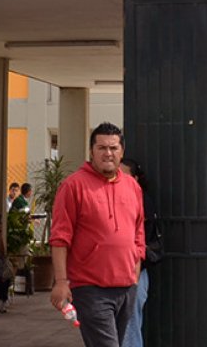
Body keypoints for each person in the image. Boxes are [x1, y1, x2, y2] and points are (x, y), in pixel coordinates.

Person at [49, 122, 145, 347]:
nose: (108, 153)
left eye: (113, 148)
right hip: (90, 288)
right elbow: (60, 238)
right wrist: (61, 282)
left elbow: (138, 231)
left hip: (126, 287)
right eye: (101, 148)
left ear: (122, 152)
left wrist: (136, 269)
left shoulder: (132, 187)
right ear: (91, 151)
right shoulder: (73, 186)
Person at [119, 158, 158, 347]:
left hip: (133, 273)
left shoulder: (140, 201)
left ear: (135, 178)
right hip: (121, 274)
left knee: (129, 328)